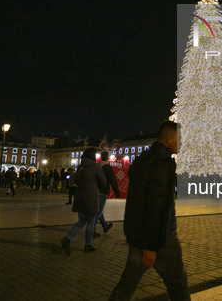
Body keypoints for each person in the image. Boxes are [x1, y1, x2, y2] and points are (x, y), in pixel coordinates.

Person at [110, 121, 190, 301]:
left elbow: (136, 202)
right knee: (178, 284)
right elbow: (157, 205)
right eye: (181, 139)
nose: (183, 143)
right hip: (161, 237)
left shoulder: (143, 159)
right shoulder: (164, 164)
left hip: (138, 233)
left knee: (126, 286)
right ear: (169, 139)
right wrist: (151, 247)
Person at [60, 148, 106, 254]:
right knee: (90, 221)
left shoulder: (80, 167)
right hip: (91, 198)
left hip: (79, 197)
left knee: (81, 221)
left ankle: (67, 239)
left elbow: (76, 180)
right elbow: (103, 181)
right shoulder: (95, 167)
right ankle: (88, 245)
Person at [95, 151, 121, 234]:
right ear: (108, 157)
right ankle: (92, 229)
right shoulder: (107, 167)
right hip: (103, 191)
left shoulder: (97, 166)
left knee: (99, 209)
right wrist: (117, 193)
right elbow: (112, 180)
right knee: (99, 211)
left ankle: (105, 226)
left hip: (95, 190)